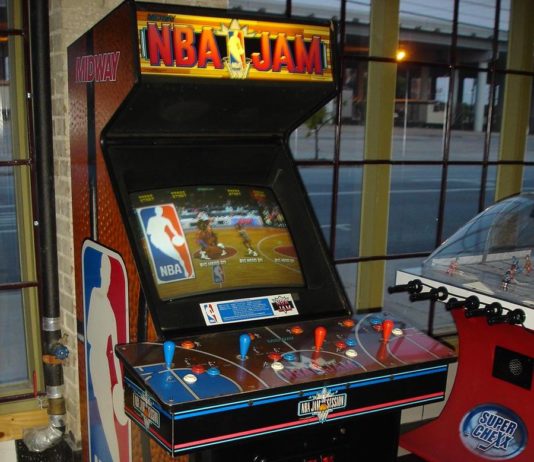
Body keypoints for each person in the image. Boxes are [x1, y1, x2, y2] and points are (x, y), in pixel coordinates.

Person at [86, 254, 127, 462]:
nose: (107, 277)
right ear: (101, 273)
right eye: (105, 271)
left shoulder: (108, 307)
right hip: (96, 360)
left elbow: (116, 348)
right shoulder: (96, 296)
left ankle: (115, 456)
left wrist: (120, 384)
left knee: (107, 416)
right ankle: (111, 455)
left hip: (101, 360)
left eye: (109, 273)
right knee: (102, 413)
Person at [146, 206, 189, 277]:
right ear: (161, 212)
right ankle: (185, 271)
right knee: (176, 256)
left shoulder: (152, 219)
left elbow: (148, 232)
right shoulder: (165, 220)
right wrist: (178, 236)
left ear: (155, 212)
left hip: (156, 239)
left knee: (174, 255)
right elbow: (173, 230)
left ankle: (185, 271)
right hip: (162, 238)